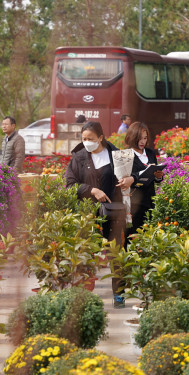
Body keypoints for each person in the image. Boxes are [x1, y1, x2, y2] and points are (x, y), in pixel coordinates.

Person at [65, 121, 134, 309]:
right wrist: (92, 190)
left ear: (101, 138)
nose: (87, 142)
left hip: (113, 212)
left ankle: (119, 295)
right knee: (86, 254)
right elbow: (70, 185)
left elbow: (133, 174)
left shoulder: (117, 155)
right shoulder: (78, 158)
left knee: (116, 253)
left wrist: (130, 179)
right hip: (88, 214)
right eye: (84, 139)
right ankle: (83, 296)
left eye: (91, 139)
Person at [125, 122, 163, 233]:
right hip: (134, 203)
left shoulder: (150, 153)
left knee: (149, 235)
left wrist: (158, 177)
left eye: (145, 138)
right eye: (139, 138)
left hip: (150, 201)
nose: (143, 142)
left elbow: (155, 179)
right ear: (132, 137)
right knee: (133, 236)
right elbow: (124, 178)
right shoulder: (126, 155)